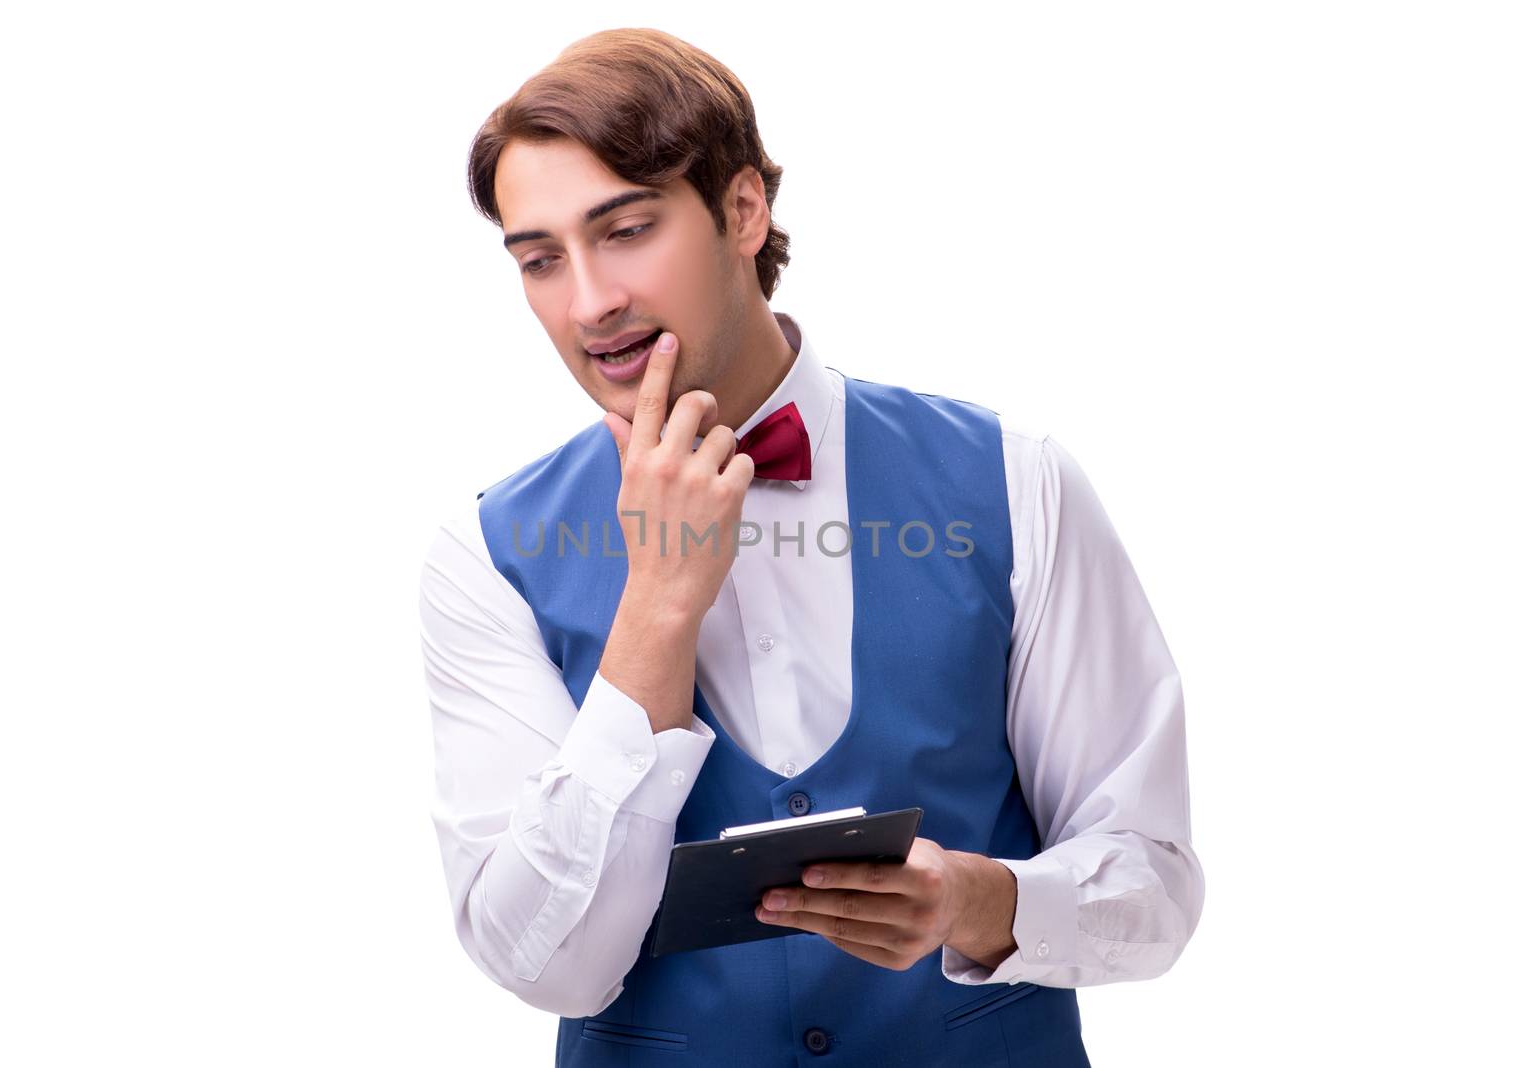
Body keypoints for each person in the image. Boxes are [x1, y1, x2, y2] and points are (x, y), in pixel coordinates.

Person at [421, 27, 1204, 1066]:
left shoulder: (1017, 481)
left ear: (741, 210)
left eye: (626, 230)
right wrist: (658, 607)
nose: (588, 302)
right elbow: (542, 965)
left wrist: (981, 902)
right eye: (539, 259)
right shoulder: (485, 555)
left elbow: (1153, 883)